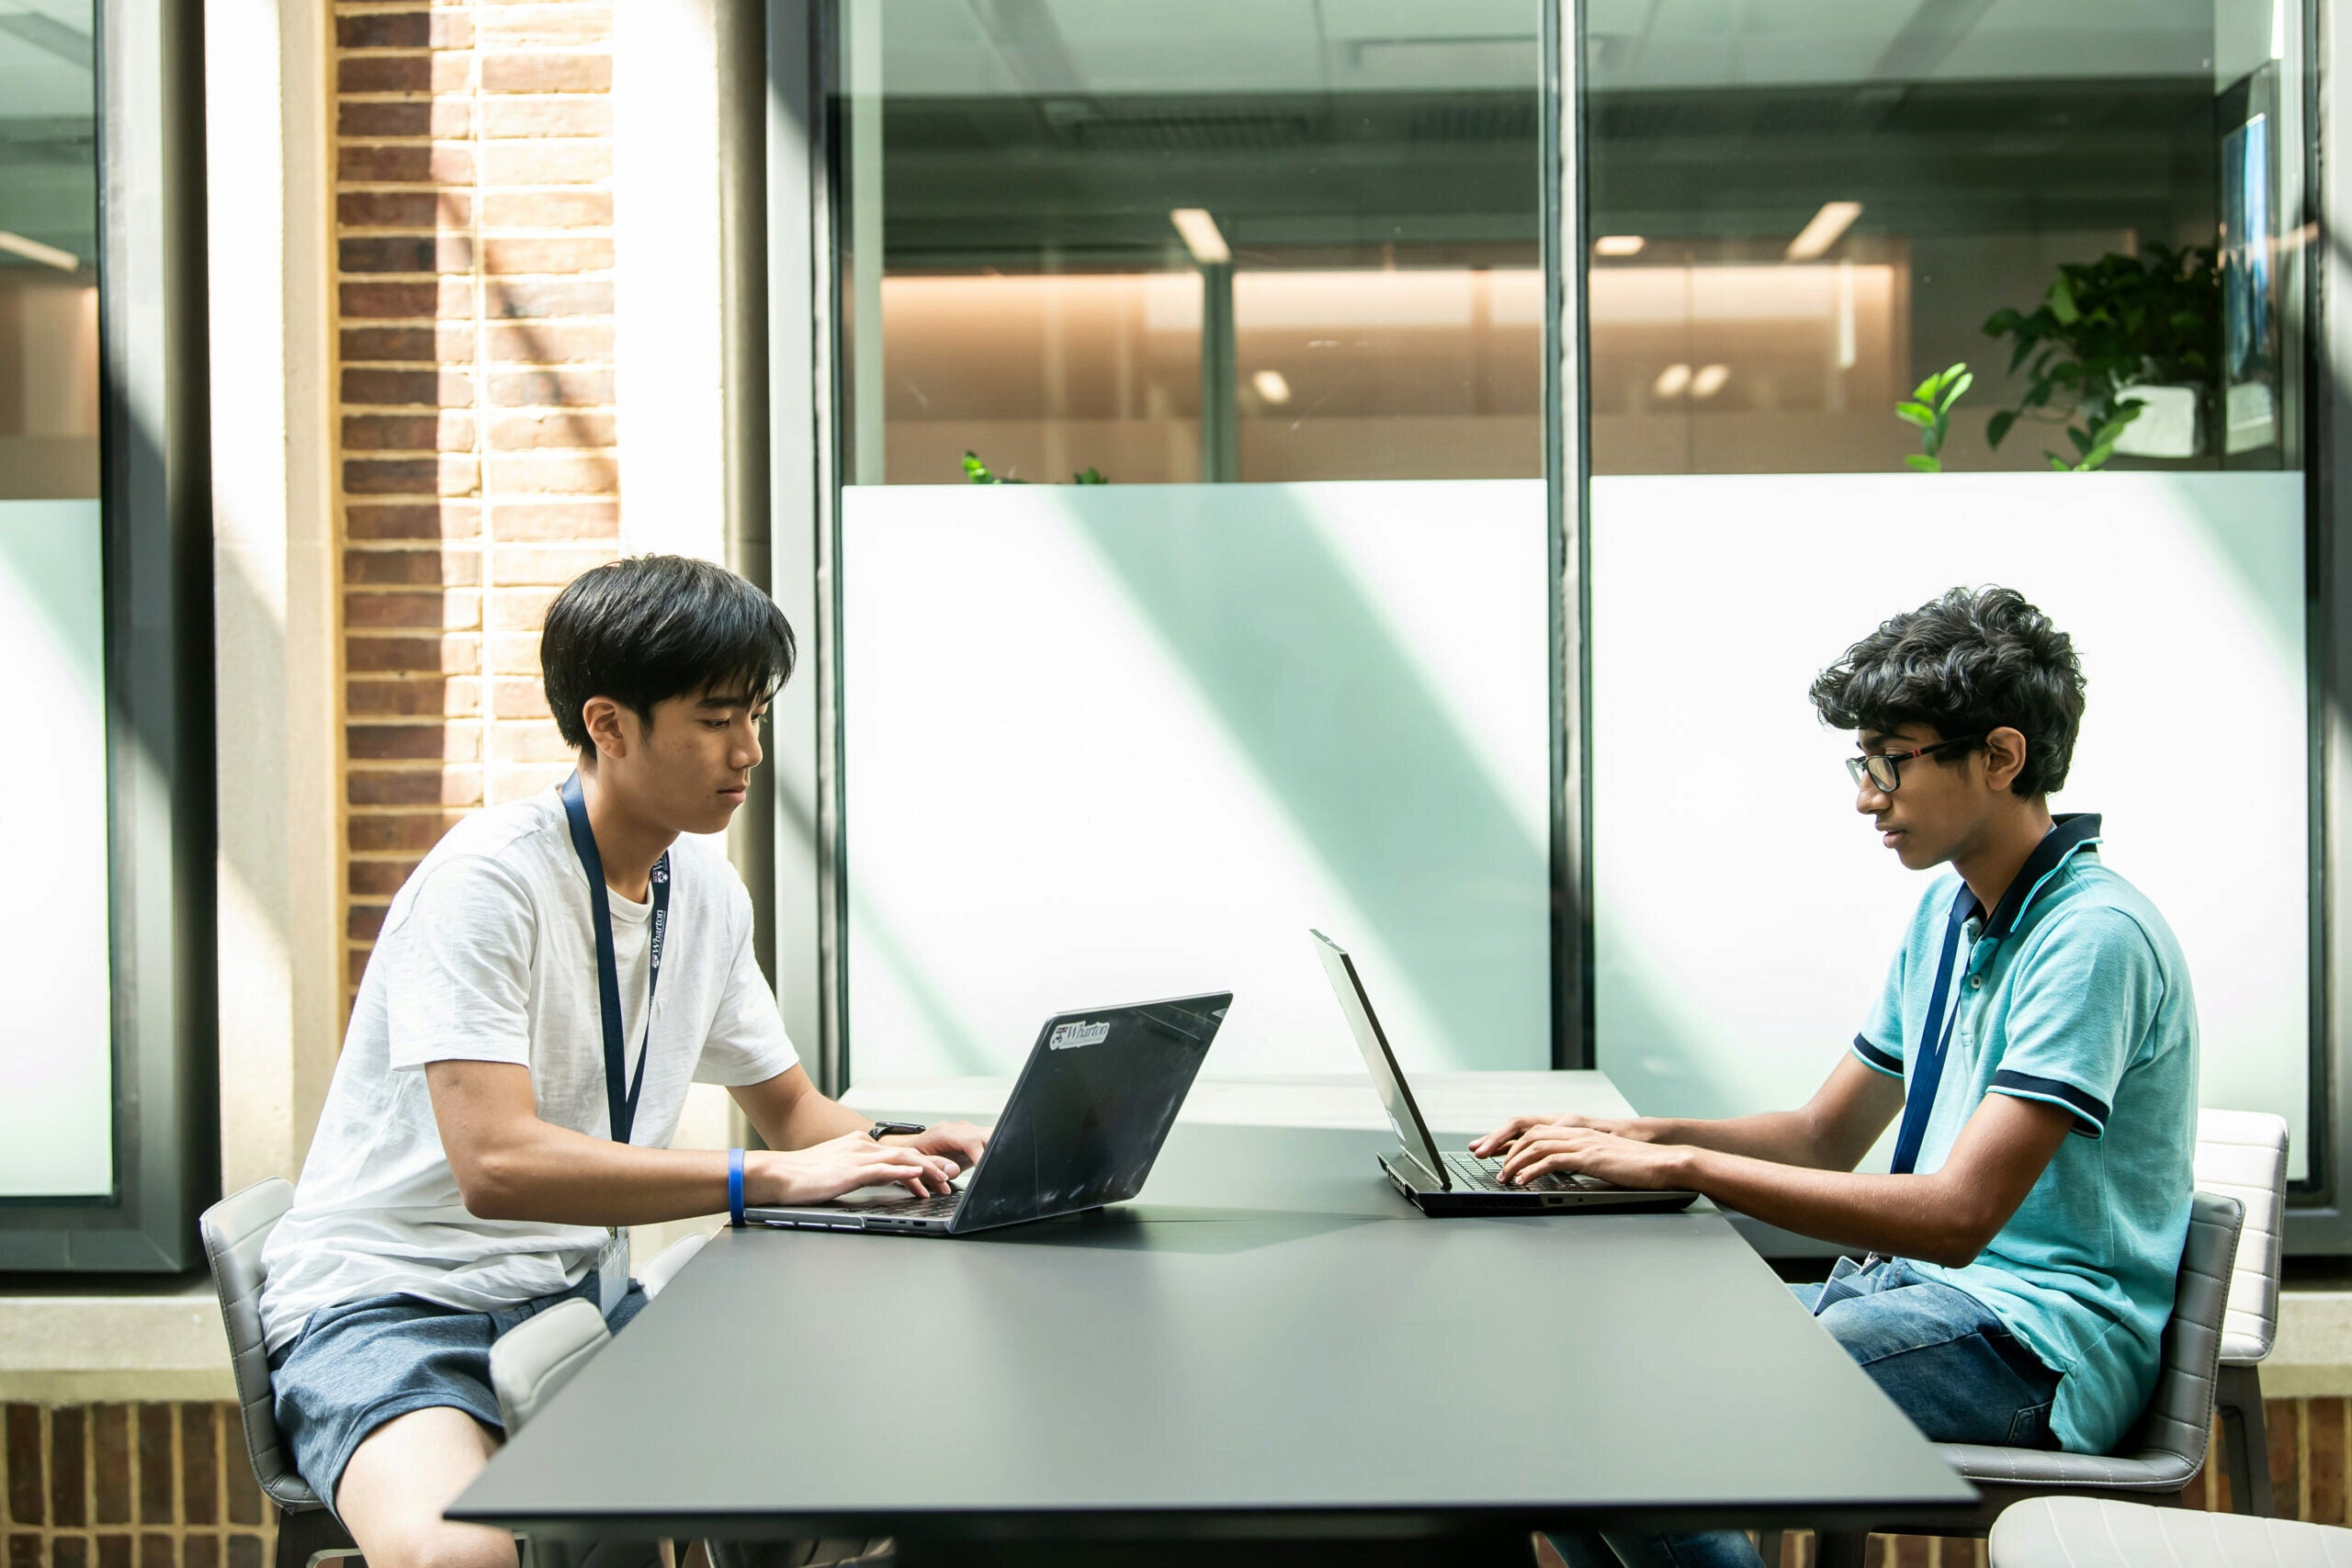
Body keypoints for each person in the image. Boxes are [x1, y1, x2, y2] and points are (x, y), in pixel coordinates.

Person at [257, 555, 987, 1568]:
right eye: (716, 719)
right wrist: (761, 1179)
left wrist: (919, 1147)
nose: (749, 752)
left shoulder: (703, 891)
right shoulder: (485, 886)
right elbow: (496, 1167)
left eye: (757, 717)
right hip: (397, 1304)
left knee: (843, 1473)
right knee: (454, 1557)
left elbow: (793, 1117)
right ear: (608, 724)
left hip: (575, 1297)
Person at [1483, 587, 2198, 1568]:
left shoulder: (2091, 938)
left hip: (2028, 1345)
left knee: (1631, 1425)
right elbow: (1824, 1135)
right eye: (1862, 764)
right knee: (1550, 1413)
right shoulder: (1952, 919)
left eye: (1889, 762)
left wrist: (1684, 1167)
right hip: (1916, 1300)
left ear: (1998, 757)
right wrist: (1629, 1141)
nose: (1866, 796)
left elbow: (1956, 1217)